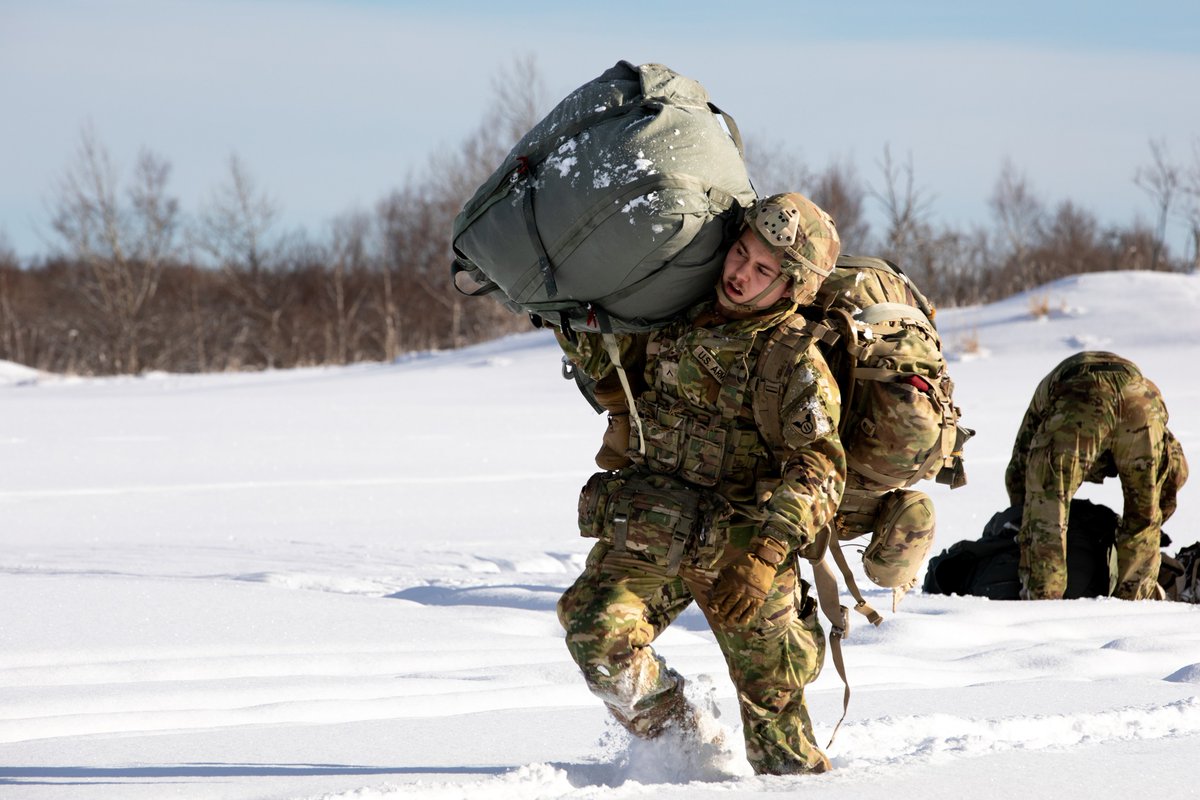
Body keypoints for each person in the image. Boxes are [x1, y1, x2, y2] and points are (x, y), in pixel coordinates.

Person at [555, 193, 844, 775]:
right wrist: (562, 307)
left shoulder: (795, 364)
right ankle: (683, 744)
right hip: (655, 523)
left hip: (741, 548)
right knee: (595, 635)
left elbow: (820, 470)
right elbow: (607, 358)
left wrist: (765, 558)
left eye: (763, 269)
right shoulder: (673, 312)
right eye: (740, 253)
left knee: (778, 735)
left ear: (791, 288)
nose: (740, 274)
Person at [1004, 351, 1189, 600]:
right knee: (1143, 519)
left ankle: (1044, 602)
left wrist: (1023, 519)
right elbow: (1174, 473)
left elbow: (1019, 469)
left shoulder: (1046, 397)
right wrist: (1153, 520)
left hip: (1079, 397)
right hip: (1141, 399)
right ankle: (1135, 605)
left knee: (1048, 513)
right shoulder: (1143, 393)